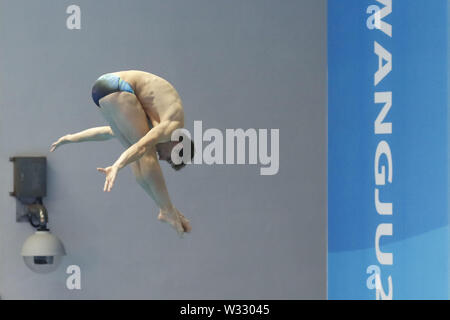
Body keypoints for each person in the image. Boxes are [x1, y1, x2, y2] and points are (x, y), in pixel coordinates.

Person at [50, 70, 194, 236]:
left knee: (136, 156)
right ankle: (167, 209)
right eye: (168, 158)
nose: (162, 157)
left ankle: (165, 209)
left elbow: (106, 132)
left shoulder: (153, 119)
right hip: (119, 87)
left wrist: (71, 138)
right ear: (177, 145)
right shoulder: (172, 126)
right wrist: (117, 166)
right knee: (145, 154)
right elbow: (141, 148)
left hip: (101, 89)